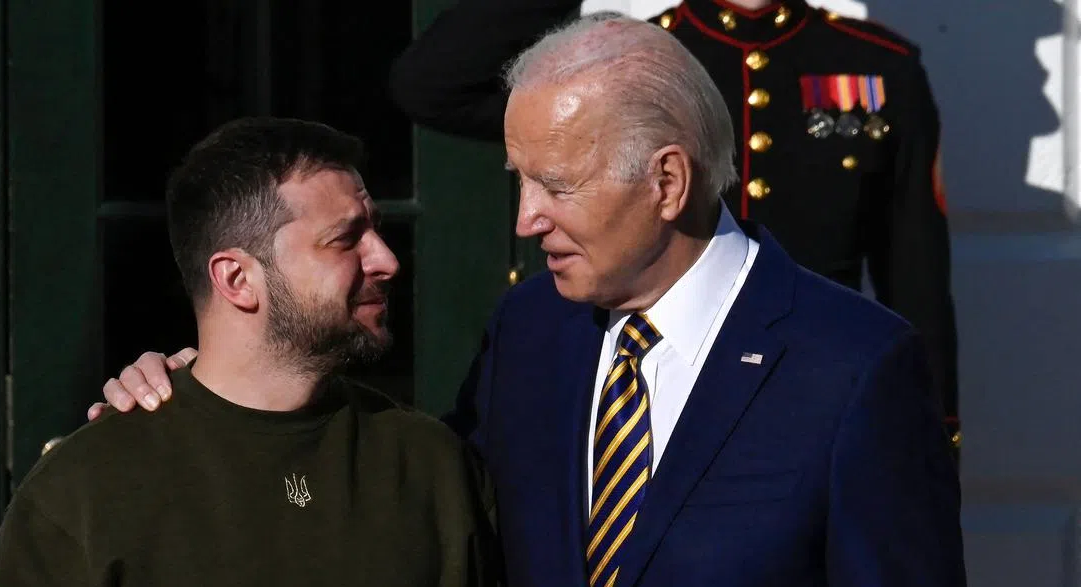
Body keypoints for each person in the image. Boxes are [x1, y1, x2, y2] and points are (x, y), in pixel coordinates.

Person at [90, 16, 973, 587]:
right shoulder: (534, 330)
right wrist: (203, 399)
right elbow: (416, 511)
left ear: (666, 181)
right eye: (521, 182)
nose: (525, 219)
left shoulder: (852, 366)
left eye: (556, 185)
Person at [0, 117, 525, 587]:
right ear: (237, 279)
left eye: (377, 230)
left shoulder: (432, 467)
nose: (386, 260)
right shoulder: (86, 492)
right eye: (346, 240)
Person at [388, 0, 963, 454]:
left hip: (813, 394)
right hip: (652, 382)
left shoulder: (878, 68)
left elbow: (915, 277)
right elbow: (432, 84)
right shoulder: (640, 63)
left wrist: (931, 438)